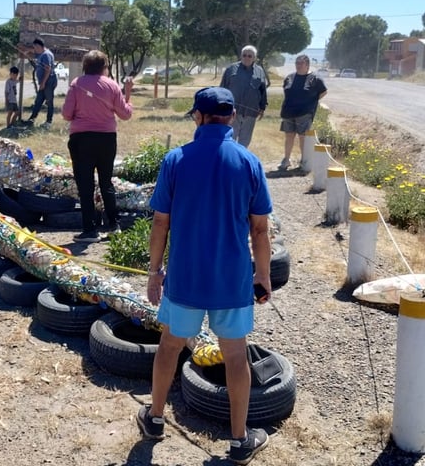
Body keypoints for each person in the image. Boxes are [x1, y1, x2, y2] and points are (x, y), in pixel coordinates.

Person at [136, 87, 273, 465]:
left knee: (169, 346)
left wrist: (154, 272)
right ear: (230, 117)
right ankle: (240, 440)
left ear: (198, 116)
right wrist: (262, 275)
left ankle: (155, 418)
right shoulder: (249, 162)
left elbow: (160, 221)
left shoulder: (175, 160)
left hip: (185, 277)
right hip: (231, 280)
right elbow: (260, 230)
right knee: (234, 356)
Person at [61, 49, 133, 243]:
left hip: (81, 139)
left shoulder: (76, 85)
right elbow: (125, 115)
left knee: (85, 185)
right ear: (104, 67)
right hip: (107, 139)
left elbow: (67, 114)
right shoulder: (112, 85)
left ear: (85, 66)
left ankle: (90, 230)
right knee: (106, 182)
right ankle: (113, 225)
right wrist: (128, 95)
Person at [278, 54, 328, 170]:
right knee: (289, 136)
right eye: (297, 63)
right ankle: (286, 160)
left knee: (303, 138)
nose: (298, 66)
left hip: (305, 113)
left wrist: (311, 102)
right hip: (288, 112)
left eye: (301, 63)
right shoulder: (289, 77)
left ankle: (304, 161)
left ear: (307, 65)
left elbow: (323, 92)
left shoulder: (315, 79)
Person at [220, 45, 269, 148]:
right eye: (244, 55)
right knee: (229, 140)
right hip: (232, 112)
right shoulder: (231, 69)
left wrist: (262, 107)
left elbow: (262, 91)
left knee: (245, 142)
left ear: (254, 58)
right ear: (241, 56)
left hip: (251, 113)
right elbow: (222, 89)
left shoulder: (259, 71)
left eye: (250, 56)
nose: (246, 58)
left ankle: (241, 161)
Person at [27, 38, 57, 128]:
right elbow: (33, 52)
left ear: (39, 46)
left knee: (49, 101)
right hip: (44, 82)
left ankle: (48, 122)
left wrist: (43, 83)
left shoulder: (46, 55)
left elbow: (48, 70)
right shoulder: (40, 54)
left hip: (48, 81)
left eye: (35, 47)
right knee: (38, 101)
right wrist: (27, 50)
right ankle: (31, 120)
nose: (34, 49)